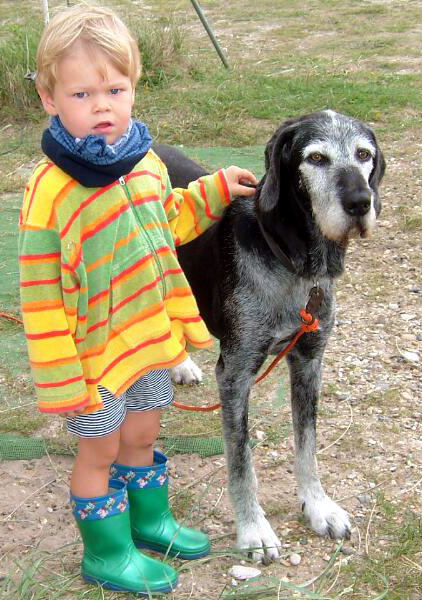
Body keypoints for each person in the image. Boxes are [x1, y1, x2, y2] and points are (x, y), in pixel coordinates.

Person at [18, 2, 257, 596]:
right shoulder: (50, 193)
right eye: (81, 95)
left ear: (133, 88)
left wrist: (215, 190)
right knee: (99, 450)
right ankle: (107, 549)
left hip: (150, 340)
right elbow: (40, 294)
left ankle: (150, 520)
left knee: (144, 435)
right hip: (91, 361)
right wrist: (59, 378)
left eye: (115, 89)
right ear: (50, 99)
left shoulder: (144, 161)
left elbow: (167, 220)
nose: (101, 105)